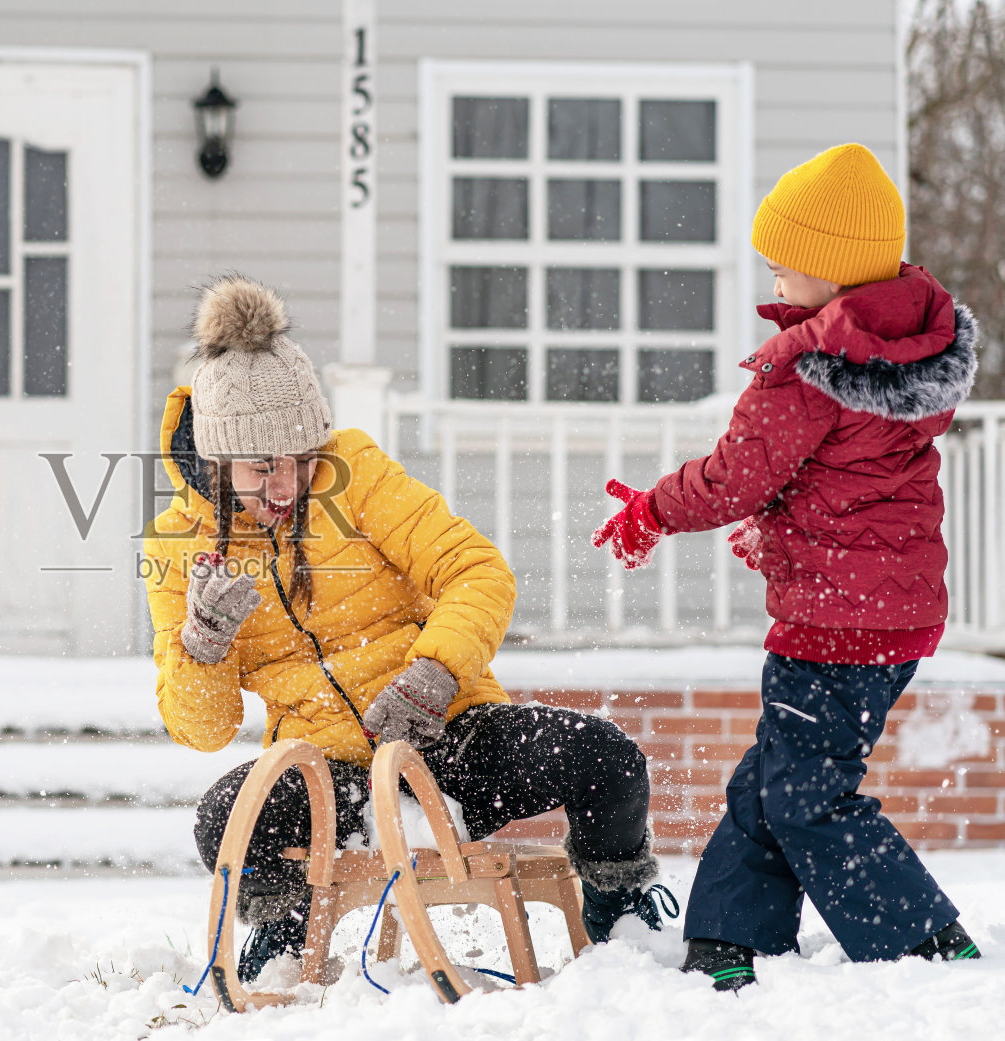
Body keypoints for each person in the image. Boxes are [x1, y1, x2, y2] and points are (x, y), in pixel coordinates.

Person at [144, 274, 675, 985]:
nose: (285, 485)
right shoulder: (179, 546)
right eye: (262, 466)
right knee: (223, 818)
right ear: (216, 459)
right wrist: (202, 644)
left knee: (606, 757)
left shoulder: (355, 471)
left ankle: (622, 908)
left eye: (300, 462)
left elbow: (479, 570)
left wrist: (434, 673)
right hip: (331, 776)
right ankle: (283, 930)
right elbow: (200, 728)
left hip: (447, 733)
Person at [591, 143, 982, 991]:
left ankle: (924, 940)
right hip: (896, 616)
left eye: (786, 264)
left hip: (834, 626)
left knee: (809, 794)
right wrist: (785, 523)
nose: (772, 278)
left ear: (834, 274)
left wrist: (654, 507)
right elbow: (852, 483)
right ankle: (731, 938)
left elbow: (736, 474)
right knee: (777, 773)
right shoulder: (907, 353)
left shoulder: (805, 368)